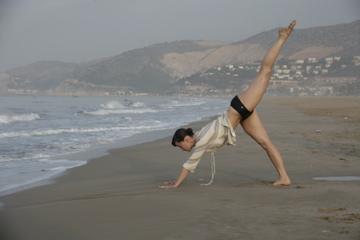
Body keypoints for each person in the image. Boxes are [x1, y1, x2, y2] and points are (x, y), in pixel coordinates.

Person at [160, 20, 296, 189]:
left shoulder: (201, 142)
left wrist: (176, 184)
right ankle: (284, 177)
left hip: (240, 107)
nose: (183, 150)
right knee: (265, 143)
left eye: (181, 146)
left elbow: (189, 164)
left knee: (265, 71)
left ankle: (282, 37)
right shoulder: (199, 136)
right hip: (242, 115)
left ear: (187, 139)